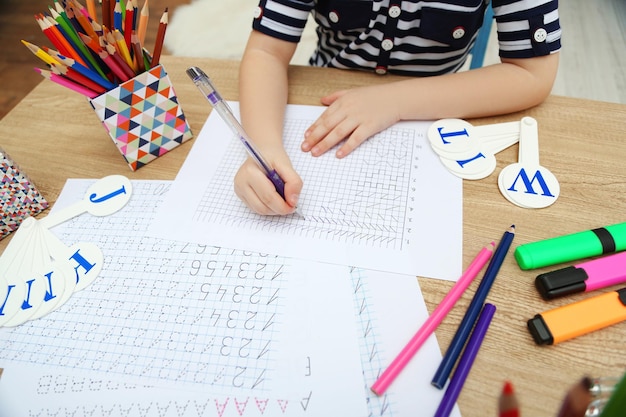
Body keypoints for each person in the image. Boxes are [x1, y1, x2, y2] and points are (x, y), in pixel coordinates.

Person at [235, 0, 561, 215]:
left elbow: (532, 74)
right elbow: (266, 53)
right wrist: (263, 148)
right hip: (322, 99)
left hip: (435, 108)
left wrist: (394, 101)